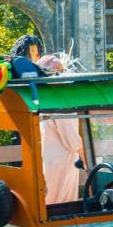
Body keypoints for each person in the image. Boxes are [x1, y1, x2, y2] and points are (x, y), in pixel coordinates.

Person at [37, 55, 86, 203]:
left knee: (51, 202)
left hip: (48, 158)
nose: (63, 74)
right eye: (59, 71)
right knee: (63, 204)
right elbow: (72, 140)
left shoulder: (43, 97)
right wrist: (88, 161)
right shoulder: (62, 101)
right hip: (63, 160)